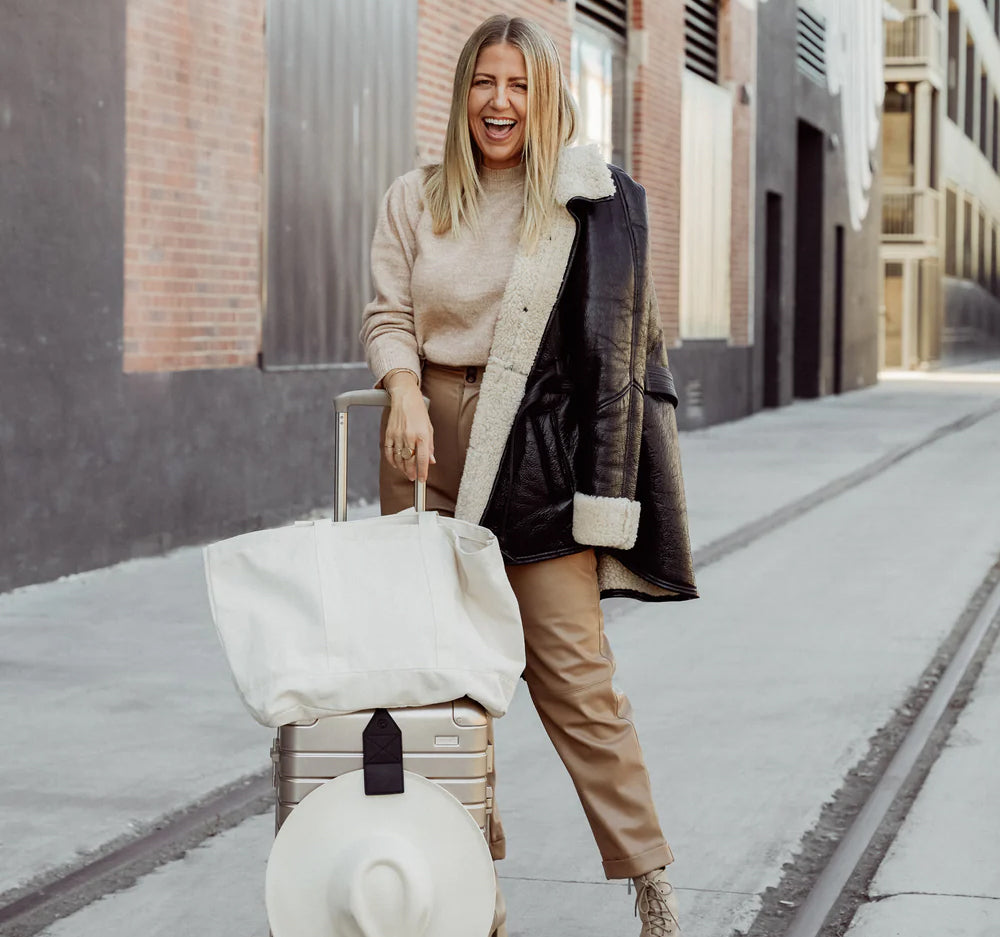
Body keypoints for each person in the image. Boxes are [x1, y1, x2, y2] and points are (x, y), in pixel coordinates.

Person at [360, 14, 697, 937]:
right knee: (435, 691)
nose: (498, 103)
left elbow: (615, 351)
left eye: (518, 86)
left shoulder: (581, 201)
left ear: (544, 97)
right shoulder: (416, 196)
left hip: (537, 455)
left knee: (577, 680)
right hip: (422, 451)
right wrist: (404, 392)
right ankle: (473, 891)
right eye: (483, 83)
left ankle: (650, 879)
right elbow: (387, 314)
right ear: (462, 92)